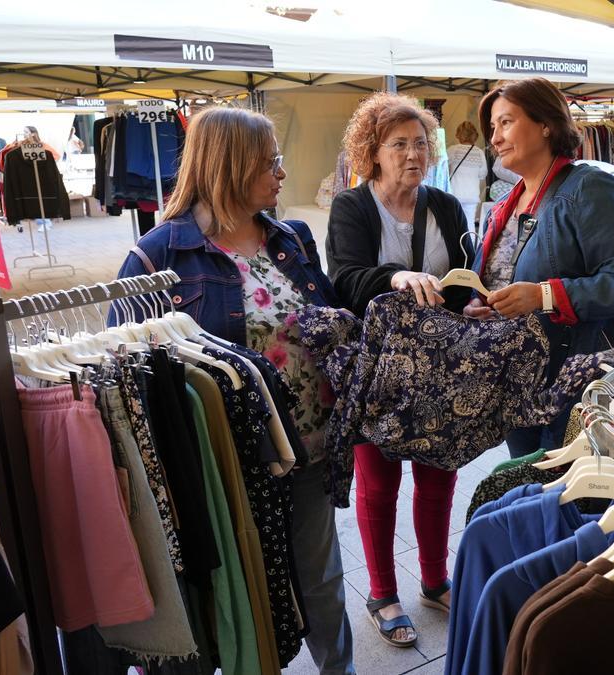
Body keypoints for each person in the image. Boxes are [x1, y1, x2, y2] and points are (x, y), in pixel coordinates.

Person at [112, 107, 355, 673]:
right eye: (271, 161)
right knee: (242, 585)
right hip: (224, 464)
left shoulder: (290, 239)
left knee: (320, 580)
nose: (282, 174)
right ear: (231, 165)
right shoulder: (158, 256)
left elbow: (323, 319)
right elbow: (126, 373)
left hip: (310, 448)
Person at [326, 92, 475, 648]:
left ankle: (436, 580)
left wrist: (472, 299)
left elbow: (463, 275)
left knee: (440, 473)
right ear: (373, 151)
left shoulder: (446, 205)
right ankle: (383, 593)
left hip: (441, 367)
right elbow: (344, 278)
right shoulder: (353, 207)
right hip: (378, 369)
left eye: (421, 144)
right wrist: (394, 278)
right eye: (399, 145)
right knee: (379, 481)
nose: (413, 155)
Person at [468, 77, 614, 457]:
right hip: (522, 381)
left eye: (505, 122)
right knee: (530, 492)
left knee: (577, 499)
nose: (495, 138)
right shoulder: (505, 205)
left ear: (545, 124)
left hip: (581, 383)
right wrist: (479, 305)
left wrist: (542, 296)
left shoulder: (590, 189)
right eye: (492, 128)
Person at [446, 120, 485, 229]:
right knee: (469, 224)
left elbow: (442, 168)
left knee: (454, 224)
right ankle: (469, 246)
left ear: (459, 134)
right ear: (474, 135)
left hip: (455, 194)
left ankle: (455, 246)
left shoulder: (453, 150)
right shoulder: (479, 153)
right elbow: (483, 174)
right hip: (472, 195)